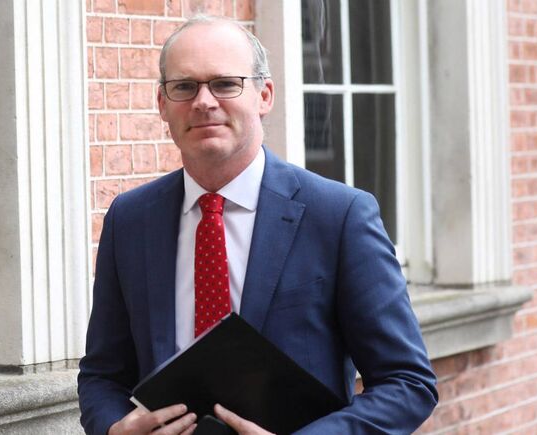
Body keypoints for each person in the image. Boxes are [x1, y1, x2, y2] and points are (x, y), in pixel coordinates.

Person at [78, 15, 438, 435]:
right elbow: (102, 375)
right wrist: (114, 429)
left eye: (225, 84)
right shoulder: (130, 219)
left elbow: (408, 383)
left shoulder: (339, 216)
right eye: (184, 86)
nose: (204, 102)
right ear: (162, 103)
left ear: (264, 95)